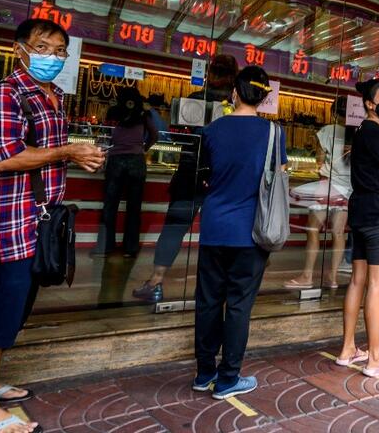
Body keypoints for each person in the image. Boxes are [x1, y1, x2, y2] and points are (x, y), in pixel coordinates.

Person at [0, 18, 104, 433]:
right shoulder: (8, 93)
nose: (53, 57)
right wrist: (67, 151)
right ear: (20, 48)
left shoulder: (55, 95)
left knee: (18, 307)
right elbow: (5, 155)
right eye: (43, 47)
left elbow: (52, 154)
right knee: (4, 305)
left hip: (40, 219)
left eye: (59, 51)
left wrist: (82, 155)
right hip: (8, 219)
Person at [192, 66, 285, 400]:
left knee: (207, 302)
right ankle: (228, 378)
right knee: (238, 306)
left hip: (214, 228)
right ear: (264, 97)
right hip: (251, 233)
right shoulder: (273, 133)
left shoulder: (212, 130)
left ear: (234, 92)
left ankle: (204, 373)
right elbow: (279, 175)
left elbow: (201, 177)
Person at [133, 54, 238, 302]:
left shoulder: (193, 100)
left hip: (190, 173)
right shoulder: (234, 108)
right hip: (222, 177)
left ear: (210, 73)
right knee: (221, 233)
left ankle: (156, 282)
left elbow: (177, 136)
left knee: (174, 229)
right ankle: (217, 289)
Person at [335, 78, 379, 378]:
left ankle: (348, 349)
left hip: (360, 212)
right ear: (370, 103)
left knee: (357, 281)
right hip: (378, 214)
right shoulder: (378, 134)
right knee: (376, 285)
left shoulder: (360, 132)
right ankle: (375, 359)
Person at [286, 97, 351, 290]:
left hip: (326, 187)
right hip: (346, 189)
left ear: (333, 113)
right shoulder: (355, 133)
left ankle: (307, 275)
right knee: (338, 233)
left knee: (313, 229)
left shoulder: (327, 131)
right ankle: (332, 278)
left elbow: (319, 161)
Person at [95, 86, 158, 257]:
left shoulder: (114, 113)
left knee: (110, 206)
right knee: (134, 207)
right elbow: (155, 135)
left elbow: (103, 135)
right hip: (136, 162)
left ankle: (105, 247)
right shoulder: (143, 114)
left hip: (116, 160)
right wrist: (143, 148)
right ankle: (130, 248)